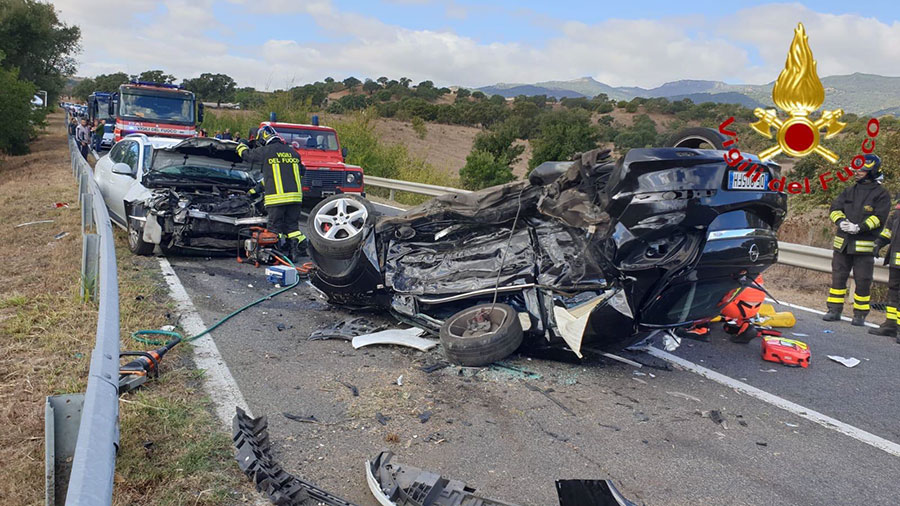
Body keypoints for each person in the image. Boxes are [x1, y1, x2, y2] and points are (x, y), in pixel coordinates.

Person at [824, 154, 891, 326]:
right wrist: (841, 222)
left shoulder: (881, 194)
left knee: (863, 281)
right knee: (838, 278)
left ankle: (860, 314)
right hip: (843, 245)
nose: (856, 172)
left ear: (872, 171)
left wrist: (859, 227)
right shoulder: (849, 191)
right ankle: (834, 310)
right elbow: (834, 209)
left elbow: (879, 218)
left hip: (864, 248)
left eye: (861, 170)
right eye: (856, 169)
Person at [235, 125, 307, 261]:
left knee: (274, 228)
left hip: (276, 199)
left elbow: (247, 155)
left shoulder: (266, 151)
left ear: (263, 139)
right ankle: (296, 251)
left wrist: (241, 145)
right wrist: (255, 190)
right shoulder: (293, 152)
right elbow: (297, 173)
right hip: (295, 198)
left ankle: (275, 255)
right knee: (292, 228)